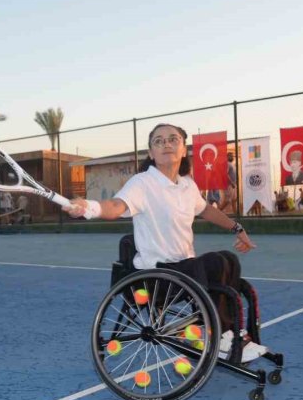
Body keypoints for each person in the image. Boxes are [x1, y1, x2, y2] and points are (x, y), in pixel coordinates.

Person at [65, 123, 265, 363]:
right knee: (210, 263)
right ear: (151, 153)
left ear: (183, 149)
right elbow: (116, 206)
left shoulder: (187, 185)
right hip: (156, 277)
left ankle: (226, 333)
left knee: (228, 259)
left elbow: (206, 210)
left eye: (173, 139)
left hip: (184, 272)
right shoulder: (142, 183)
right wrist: (88, 207)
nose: (166, 144)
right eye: (158, 141)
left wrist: (237, 228)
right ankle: (220, 337)